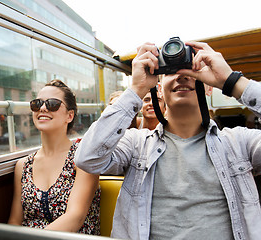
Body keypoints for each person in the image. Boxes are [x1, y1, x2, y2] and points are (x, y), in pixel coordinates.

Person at [75, 41, 261, 240]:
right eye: (171, 71)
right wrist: (136, 90)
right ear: (159, 90)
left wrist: (231, 82)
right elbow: (87, 158)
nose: (182, 75)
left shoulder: (240, 143)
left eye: (192, 69)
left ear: (209, 88)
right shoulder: (137, 144)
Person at [8, 79, 100, 235]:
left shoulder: (83, 158)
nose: (43, 108)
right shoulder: (23, 166)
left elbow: (74, 218)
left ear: (69, 116)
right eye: (37, 104)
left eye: (52, 104)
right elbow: (15, 221)